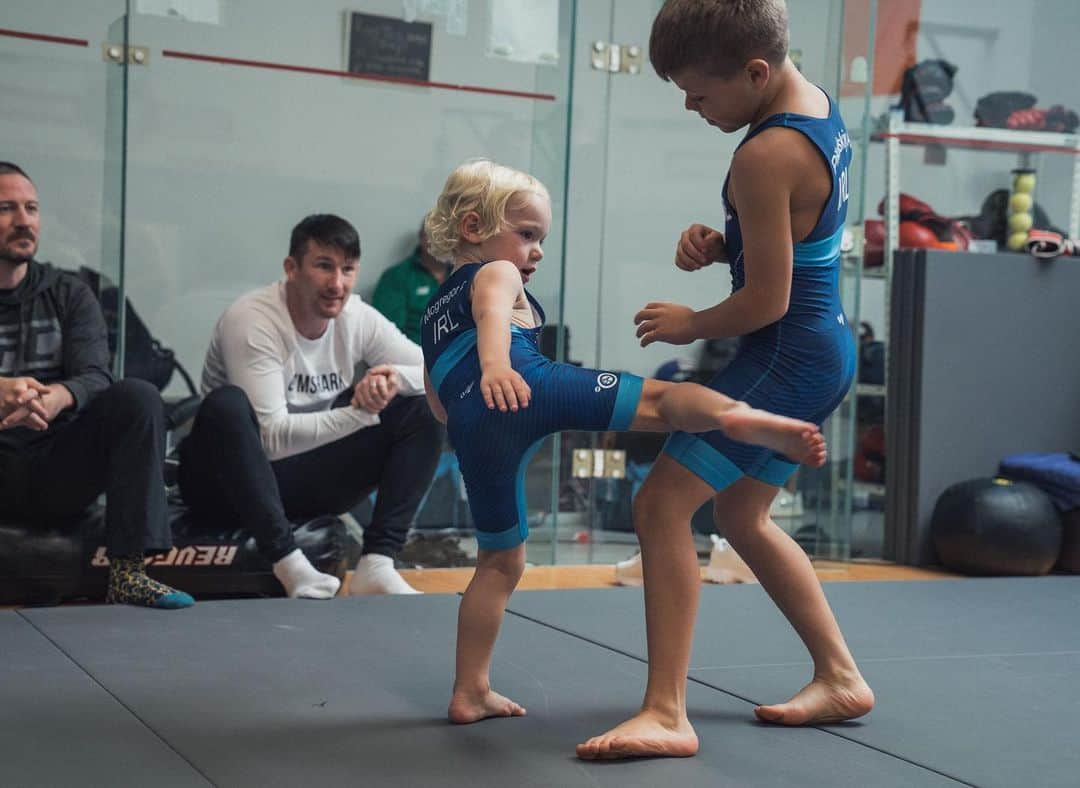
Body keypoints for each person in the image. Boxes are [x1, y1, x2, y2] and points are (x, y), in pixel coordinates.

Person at [419, 159, 827, 726]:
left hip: (474, 426)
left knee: (498, 563)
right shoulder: (496, 272)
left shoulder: (435, 307)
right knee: (660, 402)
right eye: (528, 235)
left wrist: (467, 416)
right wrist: (495, 366)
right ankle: (743, 419)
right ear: (473, 228)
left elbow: (434, 390)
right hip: (524, 384)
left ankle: (470, 690)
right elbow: (493, 311)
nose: (535, 251)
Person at [577, 0, 874, 761]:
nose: (689, 105)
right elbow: (802, 235)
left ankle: (666, 711)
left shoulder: (762, 155)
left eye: (699, 93)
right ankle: (840, 676)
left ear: (755, 72)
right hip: (821, 347)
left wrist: (690, 322)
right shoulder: (815, 108)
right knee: (742, 518)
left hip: (785, 355)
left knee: (659, 506)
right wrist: (728, 243)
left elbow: (767, 301)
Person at [178, 214, 442, 598]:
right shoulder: (253, 320)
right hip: (225, 484)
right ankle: (288, 562)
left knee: (421, 408)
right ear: (291, 269)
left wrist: (393, 380)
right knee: (227, 405)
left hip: (299, 478)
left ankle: (377, 563)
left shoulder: (357, 316)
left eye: (348, 270)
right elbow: (270, 439)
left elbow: (439, 374)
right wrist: (358, 413)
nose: (337, 284)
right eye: (323, 267)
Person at [0, 161, 193, 609]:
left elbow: (95, 375)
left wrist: (54, 399)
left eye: (31, 208)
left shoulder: (69, 293)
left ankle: (128, 574)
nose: (24, 220)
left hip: (54, 459)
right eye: (6, 209)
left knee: (136, 395)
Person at [372, 224, 450, 344]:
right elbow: (386, 336)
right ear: (421, 236)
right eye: (436, 234)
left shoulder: (468, 274)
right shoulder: (397, 277)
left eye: (448, 235)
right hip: (415, 356)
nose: (443, 241)